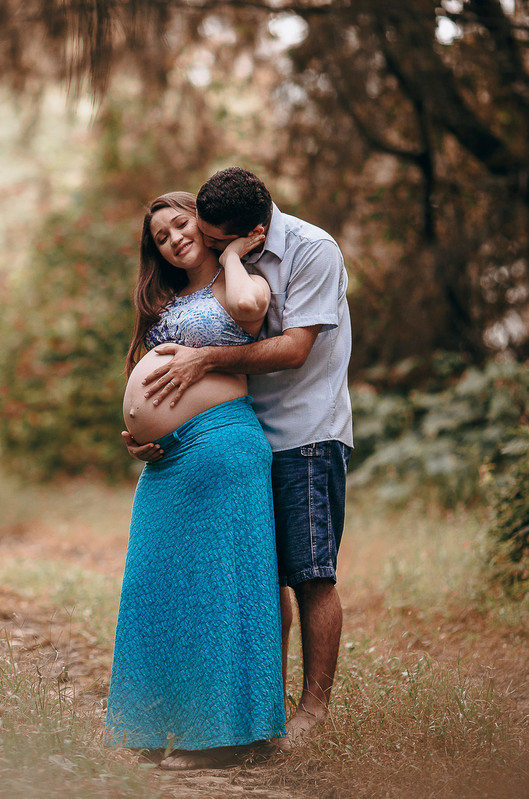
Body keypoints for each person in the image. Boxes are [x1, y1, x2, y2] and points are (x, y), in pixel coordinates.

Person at [129, 167, 353, 749]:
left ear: (243, 231)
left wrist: (205, 359)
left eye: (203, 232)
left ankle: (312, 713)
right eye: (169, 234)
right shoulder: (211, 265)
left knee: (310, 574)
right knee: (257, 579)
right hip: (234, 436)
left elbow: (295, 348)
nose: (189, 239)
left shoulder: (312, 250)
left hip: (304, 431)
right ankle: (258, 711)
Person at [105, 190, 284, 770]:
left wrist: (230, 254)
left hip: (223, 447)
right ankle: (151, 726)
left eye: (181, 225)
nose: (174, 239)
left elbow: (252, 313)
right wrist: (137, 434)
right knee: (155, 585)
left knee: (218, 590)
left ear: (202, 224)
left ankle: (220, 738)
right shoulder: (167, 301)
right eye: (161, 237)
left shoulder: (239, 284)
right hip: (167, 461)